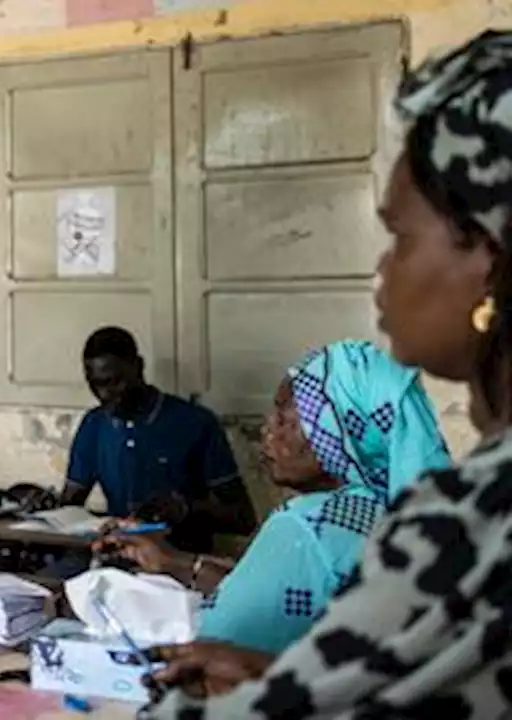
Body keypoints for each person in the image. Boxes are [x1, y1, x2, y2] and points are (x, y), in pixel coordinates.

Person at [140, 30, 512, 718]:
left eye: (400, 237)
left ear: (487, 260)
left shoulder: (476, 514)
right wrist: (279, 673)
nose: (383, 272)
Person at [106, 340, 450, 655]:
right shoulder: (391, 513)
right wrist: (173, 562)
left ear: (334, 430)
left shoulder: (307, 525)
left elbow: (221, 644)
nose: (267, 429)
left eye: (285, 416)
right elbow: (277, 592)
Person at [60, 326, 256, 555]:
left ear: (139, 367)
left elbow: (243, 519)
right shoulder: (94, 425)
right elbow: (69, 507)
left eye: (115, 382)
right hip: (117, 559)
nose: (104, 394)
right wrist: (43, 508)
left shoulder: (196, 423)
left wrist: (186, 509)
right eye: (95, 384)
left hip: (179, 564)